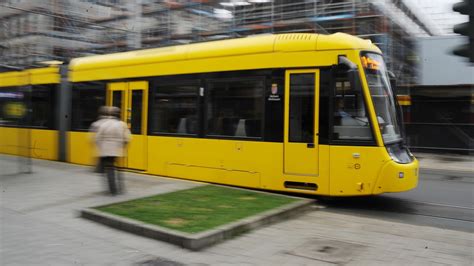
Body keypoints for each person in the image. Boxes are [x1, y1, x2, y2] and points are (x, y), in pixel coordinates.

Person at [94, 106, 131, 195]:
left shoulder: (104, 124)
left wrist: (101, 147)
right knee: (118, 169)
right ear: (118, 115)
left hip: (106, 150)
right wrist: (123, 146)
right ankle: (120, 188)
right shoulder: (122, 124)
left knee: (109, 168)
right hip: (117, 150)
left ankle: (112, 190)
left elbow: (97, 138)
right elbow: (127, 138)